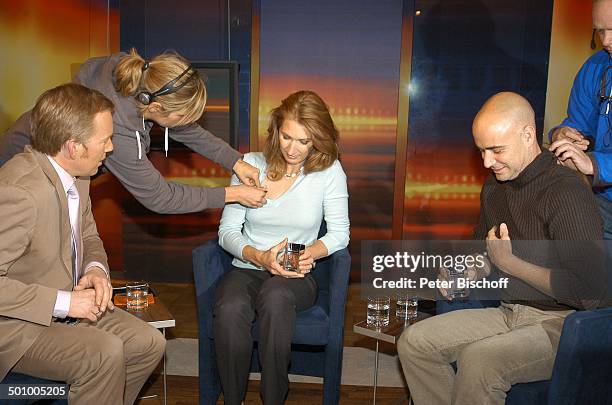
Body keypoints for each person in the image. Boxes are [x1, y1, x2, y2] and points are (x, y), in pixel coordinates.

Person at [397, 92, 606, 405]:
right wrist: (468, 270)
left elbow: (591, 292)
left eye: (496, 150)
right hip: (510, 312)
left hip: (563, 326)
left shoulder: (565, 189)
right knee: (414, 342)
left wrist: (510, 264)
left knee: (480, 362)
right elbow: (482, 248)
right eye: (481, 150)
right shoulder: (495, 185)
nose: (486, 162)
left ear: (527, 135)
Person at [0, 83, 166, 404]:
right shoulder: (20, 192)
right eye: (104, 140)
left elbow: (88, 235)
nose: (111, 149)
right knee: (104, 353)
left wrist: (95, 269)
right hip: (18, 328)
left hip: (67, 311)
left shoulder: (79, 175)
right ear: (73, 146)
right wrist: (65, 302)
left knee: (149, 344)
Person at [0, 48, 266, 213]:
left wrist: (235, 161)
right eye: (183, 115)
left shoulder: (139, 82)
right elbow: (161, 198)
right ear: (157, 107)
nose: (187, 122)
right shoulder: (116, 131)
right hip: (21, 167)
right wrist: (233, 195)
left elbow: (186, 130)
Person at [213, 90, 349, 404]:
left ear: (317, 139)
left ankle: (273, 398)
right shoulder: (248, 165)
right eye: (287, 137)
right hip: (248, 268)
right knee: (230, 308)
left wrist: (307, 254)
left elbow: (340, 234)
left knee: (275, 297)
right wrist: (260, 257)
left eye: (304, 141)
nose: (293, 149)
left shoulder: (328, 172)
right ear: (275, 131)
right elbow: (227, 232)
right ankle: (233, 399)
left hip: (296, 274)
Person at [549, 0, 612, 238]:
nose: (605, 41)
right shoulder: (595, 67)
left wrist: (594, 165)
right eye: (600, 30)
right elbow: (578, 122)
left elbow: (592, 164)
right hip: (601, 203)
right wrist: (562, 135)